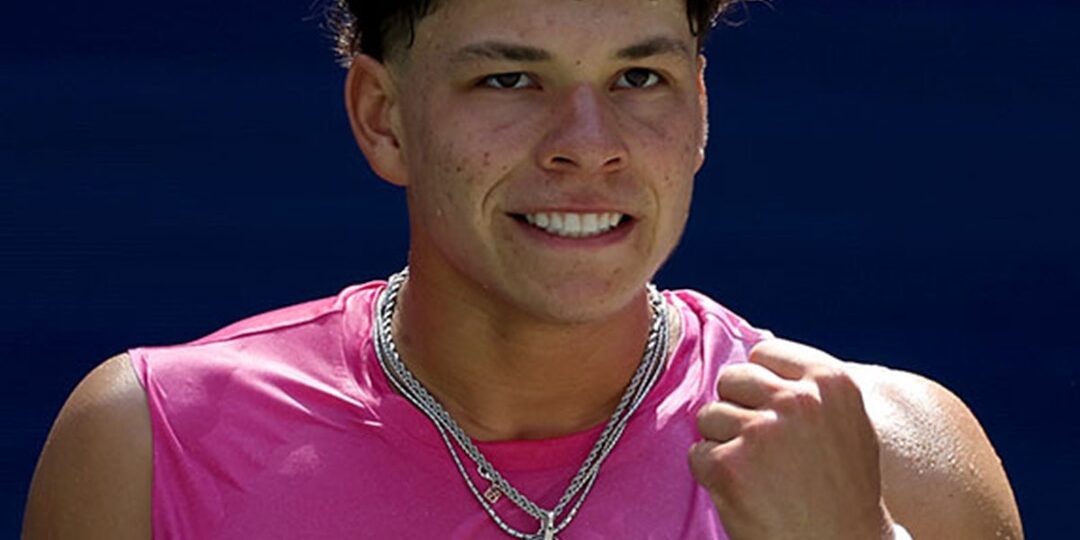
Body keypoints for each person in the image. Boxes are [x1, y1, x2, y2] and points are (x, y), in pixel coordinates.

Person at [23, 0, 1023, 538]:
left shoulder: (895, 459)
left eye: (639, 76)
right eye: (510, 78)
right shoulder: (149, 444)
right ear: (383, 117)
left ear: (700, 109)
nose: (587, 144)